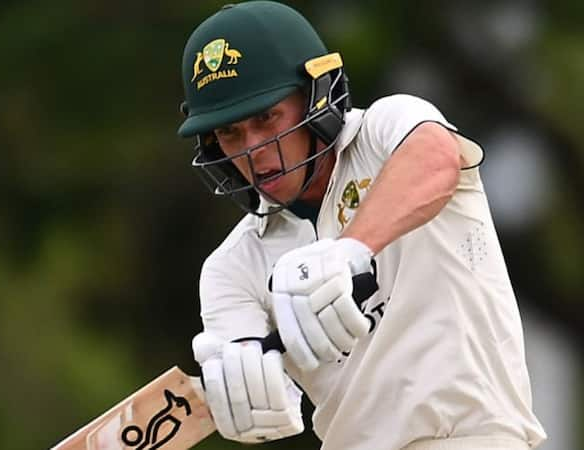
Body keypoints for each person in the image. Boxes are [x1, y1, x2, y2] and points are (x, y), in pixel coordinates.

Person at [177, 2, 547, 450]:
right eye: (230, 133)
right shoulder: (231, 269)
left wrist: (347, 251)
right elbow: (249, 378)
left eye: (266, 117)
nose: (254, 149)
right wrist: (242, 390)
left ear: (315, 97)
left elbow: (436, 159)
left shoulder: (386, 132)